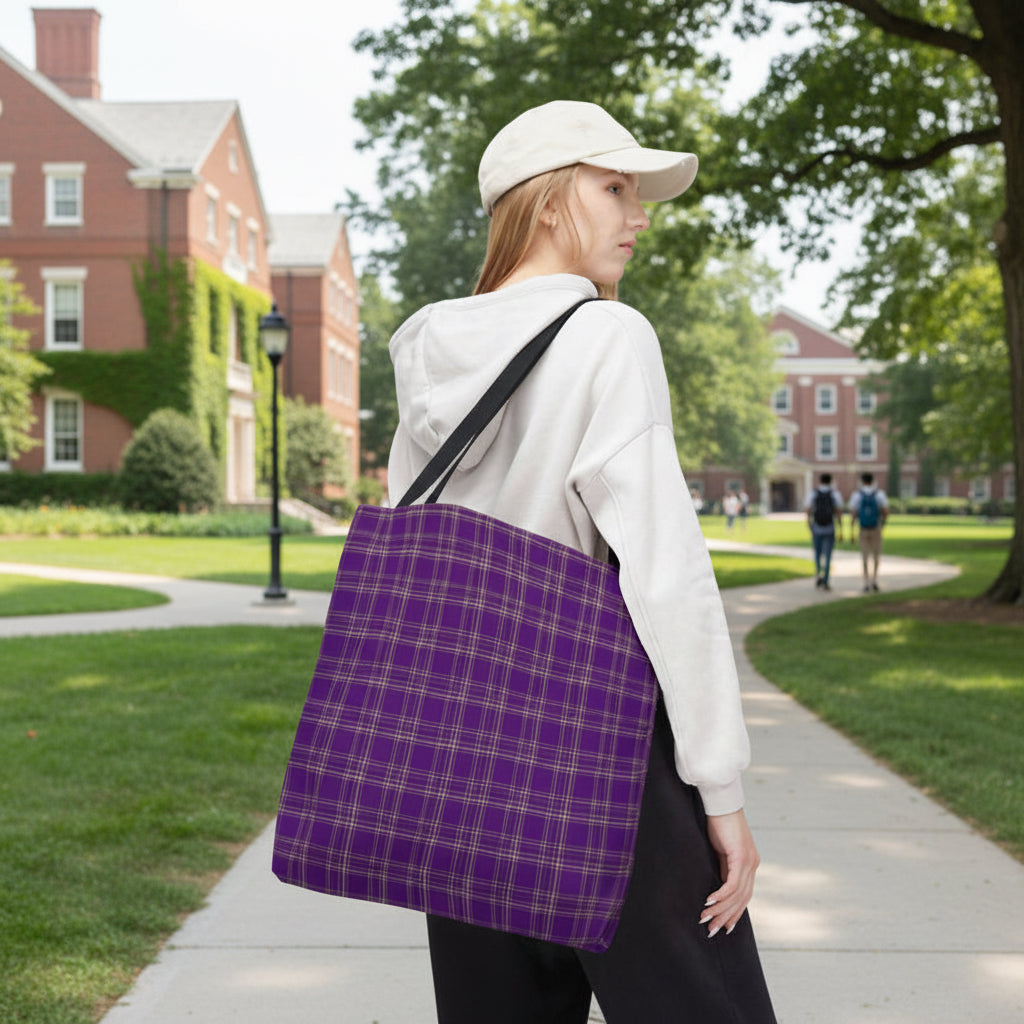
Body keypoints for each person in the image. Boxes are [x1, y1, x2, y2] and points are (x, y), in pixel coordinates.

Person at [387, 100, 775, 1024]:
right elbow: (666, 576)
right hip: (598, 740)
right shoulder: (608, 335)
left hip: (460, 751)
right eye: (615, 189)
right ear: (551, 199)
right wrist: (719, 788)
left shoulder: (427, 350)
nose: (639, 216)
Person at [848, 471, 890, 591]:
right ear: (873, 481)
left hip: (863, 529)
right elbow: (885, 512)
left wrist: (852, 531)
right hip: (875, 528)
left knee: (865, 556)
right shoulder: (879, 494)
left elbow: (853, 514)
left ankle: (866, 582)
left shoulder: (857, 495)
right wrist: (882, 525)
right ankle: (875, 580)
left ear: (862, 481)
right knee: (876, 555)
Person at [804, 472, 843, 590]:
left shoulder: (813, 493)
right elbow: (838, 512)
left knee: (817, 554)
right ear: (830, 481)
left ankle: (818, 575)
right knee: (828, 555)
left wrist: (809, 525)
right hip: (829, 528)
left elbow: (808, 510)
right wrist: (840, 528)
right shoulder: (834, 494)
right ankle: (826, 580)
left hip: (817, 527)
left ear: (820, 481)